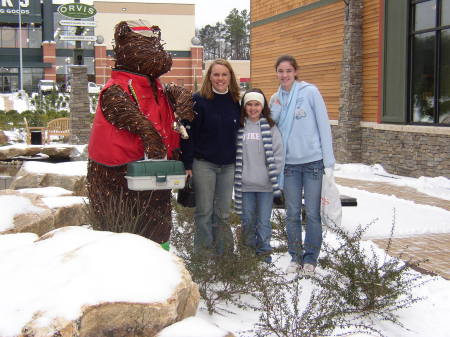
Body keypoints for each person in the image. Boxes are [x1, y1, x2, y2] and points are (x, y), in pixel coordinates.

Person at [269, 55, 336, 273]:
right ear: (277, 73)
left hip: (313, 163)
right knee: (291, 213)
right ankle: (295, 257)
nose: (284, 75)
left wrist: (329, 162)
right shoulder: (275, 99)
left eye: (288, 70)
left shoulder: (310, 92)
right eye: (280, 71)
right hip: (289, 166)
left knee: (313, 213)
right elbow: (273, 128)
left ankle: (311, 258)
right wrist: (277, 109)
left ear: (295, 72)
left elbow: (324, 126)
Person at [181, 59, 241, 257]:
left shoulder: (235, 102)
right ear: (210, 77)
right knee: (204, 212)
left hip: (228, 166)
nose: (220, 78)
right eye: (216, 74)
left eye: (224, 74)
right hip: (203, 164)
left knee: (223, 213)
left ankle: (224, 254)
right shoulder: (198, 101)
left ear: (230, 77)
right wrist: (188, 163)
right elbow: (187, 134)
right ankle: (204, 253)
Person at [234, 88, 283, 263]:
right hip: (245, 184)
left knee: (263, 221)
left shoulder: (270, 127)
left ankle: (263, 252)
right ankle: (247, 253)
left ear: (262, 106)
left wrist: (272, 174)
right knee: (247, 220)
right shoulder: (239, 126)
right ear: (244, 106)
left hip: (265, 185)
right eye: (249, 104)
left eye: (257, 104)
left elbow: (278, 154)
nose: (253, 108)